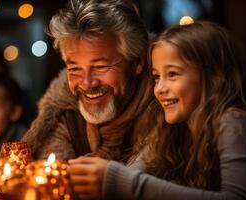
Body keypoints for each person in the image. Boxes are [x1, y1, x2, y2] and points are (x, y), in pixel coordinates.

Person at [68, 21, 246, 199]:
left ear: (211, 77)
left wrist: (121, 181)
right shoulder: (166, 125)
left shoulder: (233, 120)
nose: (159, 89)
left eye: (173, 74)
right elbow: (132, 174)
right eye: (157, 76)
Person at [22, 0, 161, 161]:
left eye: (101, 67)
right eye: (75, 69)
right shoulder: (64, 114)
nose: (86, 83)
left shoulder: (168, 112)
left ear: (137, 63)